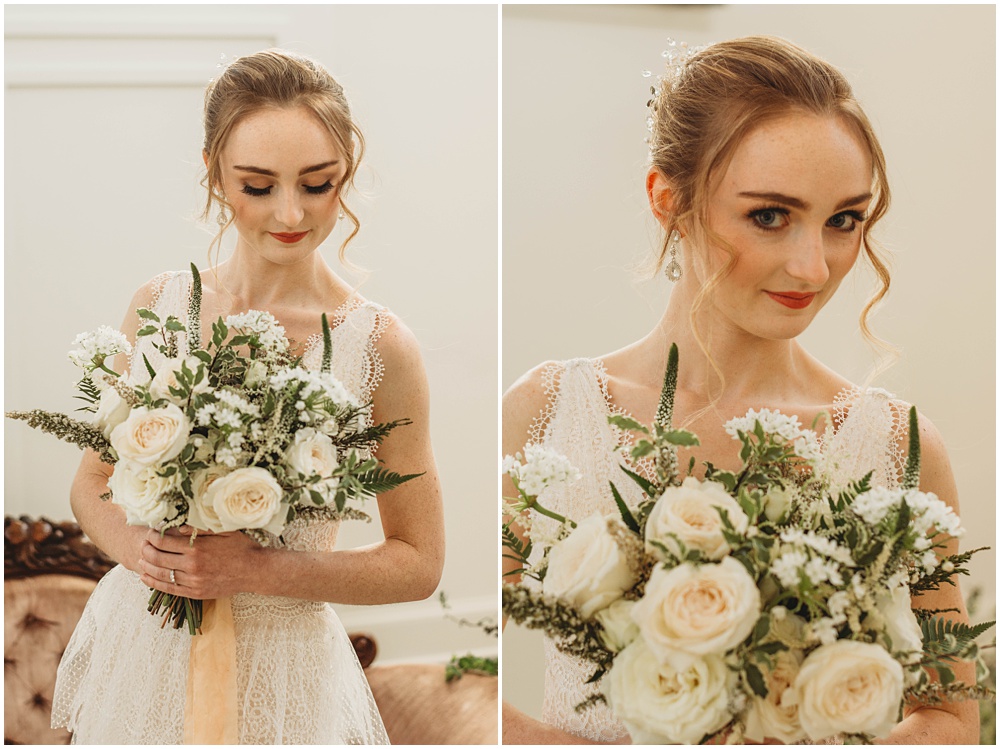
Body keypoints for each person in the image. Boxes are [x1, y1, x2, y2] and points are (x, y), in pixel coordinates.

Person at [502, 36, 978, 744]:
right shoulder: (549, 413)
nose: (814, 266)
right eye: (770, 216)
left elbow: (950, 716)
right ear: (669, 199)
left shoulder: (900, 445)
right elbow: (473, 671)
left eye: (844, 220)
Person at [51, 49, 446, 744]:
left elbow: (419, 561)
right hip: (145, 646)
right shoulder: (161, 305)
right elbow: (91, 481)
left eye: (317, 184)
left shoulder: (380, 346)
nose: (290, 212)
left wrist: (257, 567)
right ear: (214, 174)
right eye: (258, 186)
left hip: (286, 669)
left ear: (345, 172)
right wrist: (142, 550)